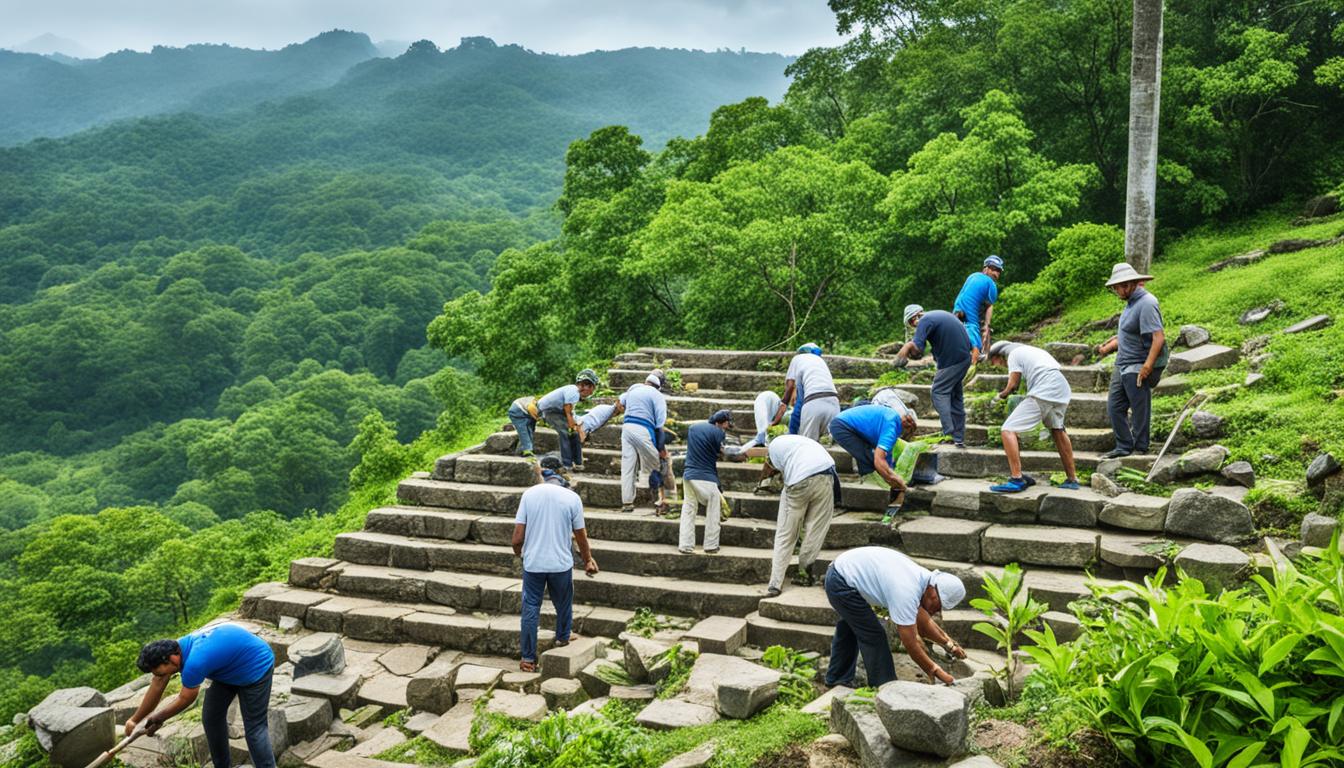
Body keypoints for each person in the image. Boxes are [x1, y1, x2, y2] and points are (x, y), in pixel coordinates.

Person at [127, 623, 278, 768]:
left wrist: (159, 717)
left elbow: (186, 698)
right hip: (229, 667)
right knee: (211, 718)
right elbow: (158, 683)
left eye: (163, 672)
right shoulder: (175, 649)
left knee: (255, 729)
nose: (163, 676)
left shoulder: (194, 663)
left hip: (256, 665)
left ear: (172, 659)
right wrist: (135, 720)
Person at [823, 547, 967, 689]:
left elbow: (923, 622)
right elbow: (910, 642)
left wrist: (948, 644)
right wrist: (933, 669)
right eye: (938, 605)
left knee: (852, 625)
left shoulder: (923, 580)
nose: (936, 610)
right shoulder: (906, 590)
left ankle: (837, 679)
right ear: (933, 592)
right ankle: (885, 687)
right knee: (874, 635)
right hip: (841, 582)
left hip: (843, 569)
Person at [511, 462, 599, 672]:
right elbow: (581, 536)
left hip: (534, 564)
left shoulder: (529, 495)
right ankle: (562, 636)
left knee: (531, 608)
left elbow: (517, 537)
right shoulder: (572, 498)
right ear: (562, 481)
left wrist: (520, 554)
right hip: (560, 564)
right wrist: (588, 560)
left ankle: (528, 659)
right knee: (563, 601)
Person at [986, 341, 1081, 493]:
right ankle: (1072, 479)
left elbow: (1013, 385)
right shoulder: (1032, 351)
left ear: (997, 356)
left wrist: (999, 396)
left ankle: (1016, 479)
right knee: (1058, 430)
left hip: (1045, 389)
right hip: (1061, 388)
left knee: (1007, 430)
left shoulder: (1013, 354)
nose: (996, 365)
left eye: (993, 361)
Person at [1094, 263, 1167, 458]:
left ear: (1127, 285)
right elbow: (1128, 335)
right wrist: (1107, 347)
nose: (1116, 291)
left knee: (1139, 407)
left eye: (1116, 287)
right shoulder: (1130, 305)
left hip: (1137, 364)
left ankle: (1140, 447)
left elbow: (1158, 338)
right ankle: (1124, 446)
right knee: (1115, 406)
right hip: (1122, 363)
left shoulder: (1147, 303)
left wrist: (1147, 366)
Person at [759, 434, 839, 596]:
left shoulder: (773, 450)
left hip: (799, 480)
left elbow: (768, 468)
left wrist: (762, 483)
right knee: (815, 529)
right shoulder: (798, 443)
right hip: (826, 473)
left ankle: (775, 583)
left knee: (786, 533)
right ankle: (804, 572)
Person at [895, 305, 973, 447]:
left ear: (914, 317)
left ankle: (948, 434)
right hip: (964, 358)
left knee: (938, 392)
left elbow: (917, 347)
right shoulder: (937, 315)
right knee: (955, 397)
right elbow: (920, 351)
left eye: (912, 323)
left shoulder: (924, 320)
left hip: (952, 361)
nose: (913, 326)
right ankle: (959, 438)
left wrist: (904, 350)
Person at [828, 403, 917, 520]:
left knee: (871, 459)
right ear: (907, 423)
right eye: (910, 431)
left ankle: (875, 487)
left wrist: (891, 472)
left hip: (848, 425)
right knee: (871, 459)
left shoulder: (891, 420)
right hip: (843, 427)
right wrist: (896, 481)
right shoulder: (892, 425)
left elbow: (887, 455)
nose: (906, 434)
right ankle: (876, 491)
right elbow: (879, 461)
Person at [679, 410, 741, 554]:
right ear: (720, 423)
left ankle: (685, 545)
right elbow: (722, 452)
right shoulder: (719, 433)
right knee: (714, 510)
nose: (726, 428)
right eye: (726, 425)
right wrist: (742, 453)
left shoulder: (694, 428)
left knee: (688, 509)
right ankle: (711, 545)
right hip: (706, 477)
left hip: (688, 475)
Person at [619, 372, 669, 513]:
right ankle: (659, 502)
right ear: (659, 385)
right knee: (656, 464)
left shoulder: (633, 389)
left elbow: (620, 402)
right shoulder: (657, 395)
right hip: (643, 429)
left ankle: (627, 503)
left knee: (628, 467)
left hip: (627, 428)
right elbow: (659, 425)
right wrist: (661, 448)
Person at [773, 343, 840, 441]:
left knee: (807, 447)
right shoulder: (820, 362)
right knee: (827, 447)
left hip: (813, 405)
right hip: (834, 405)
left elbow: (791, 387)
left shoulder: (797, 359)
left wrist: (791, 432)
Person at [537, 370, 600, 470]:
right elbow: (568, 411)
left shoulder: (575, 394)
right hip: (550, 411)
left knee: (574, 434)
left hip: (559, 412)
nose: (592, 392)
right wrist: (571, 426)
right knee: (565, 433)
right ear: (586, 386)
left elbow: (572, 413)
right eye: (593, 388)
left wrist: (578, 429)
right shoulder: (573, 391)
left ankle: (578, 463)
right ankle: (567, 464)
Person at [953, 255, 1003, 364]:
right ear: (986, 269)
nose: (996, 274)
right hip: (969, 314)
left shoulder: (972, 276)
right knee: (975, 338)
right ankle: (975, 360)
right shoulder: (991, 284)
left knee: (957, 334)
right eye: (994, 269)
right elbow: (989, 306)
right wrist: (987, 325)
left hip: (957, 309)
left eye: (999, 271)